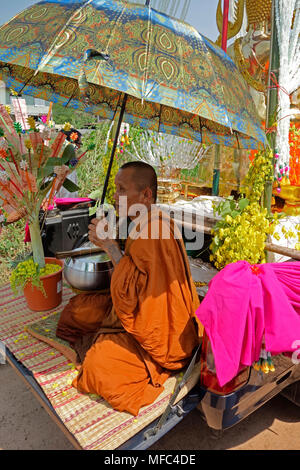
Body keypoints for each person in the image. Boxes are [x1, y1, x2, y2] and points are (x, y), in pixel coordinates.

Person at [56, 161, 203, 416]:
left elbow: (138, 296)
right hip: (134, 309)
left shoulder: (155, 229)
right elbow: (132, 275)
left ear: (146, 195)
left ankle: (136, 358)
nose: (115, 196)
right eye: (115, 188)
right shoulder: (140, 221)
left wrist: (110, 247)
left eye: (122, 189)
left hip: (160, 329)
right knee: (75, 311)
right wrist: (110, 241)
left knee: (99, 367)